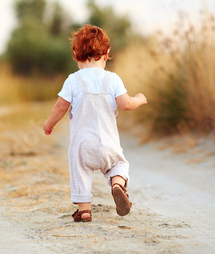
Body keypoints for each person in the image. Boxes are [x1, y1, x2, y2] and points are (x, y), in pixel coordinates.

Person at [43, 24, 147, 222]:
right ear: (107, 53)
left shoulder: (73, 80)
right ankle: (117, 185)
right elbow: (126, 104)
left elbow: (60, 107)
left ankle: (84, 210)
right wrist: (139, 99)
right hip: (108, 144)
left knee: (80, 171)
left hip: (83, 145)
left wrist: (49, 124)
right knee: (118, 165)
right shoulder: (113, 79)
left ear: (75, 55)